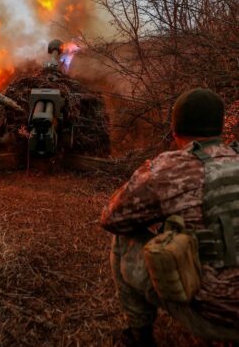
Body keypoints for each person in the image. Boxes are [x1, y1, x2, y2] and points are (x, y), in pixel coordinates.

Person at [101, 88, 239, 346]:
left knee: (123, 240)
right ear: (220, 128)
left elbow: (112, 218)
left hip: (212, 316)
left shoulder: (170, 168)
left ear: (175, 130)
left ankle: (138, 336)